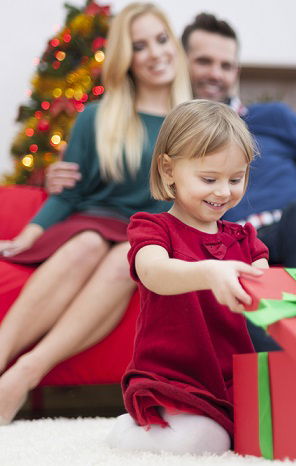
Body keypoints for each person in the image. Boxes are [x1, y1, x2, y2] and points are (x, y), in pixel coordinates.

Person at [106, 99, 296, 454]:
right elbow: (154, 273)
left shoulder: (244, 239)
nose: (224, 191)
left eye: (236, 179)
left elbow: (272, 291)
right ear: (168, 171)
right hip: (175, 378)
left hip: (233, 381)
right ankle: (128, 430)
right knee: (208, 441)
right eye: (209, 179)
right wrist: (209, 271)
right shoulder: (154, 228)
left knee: (289, 427)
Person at [49, 12, 296, 268]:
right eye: (204, 62)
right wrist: (61, 179)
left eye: (226, 66)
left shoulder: (270, 117)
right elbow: (125, 183)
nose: (216, 74)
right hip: (234, 245)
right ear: (179, 60)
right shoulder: (168, 134)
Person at [0, 2, 191, 424]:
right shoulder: (95, 118)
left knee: (129, 256)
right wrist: (30, 235)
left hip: (150, 236)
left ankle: (21, 377)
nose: (156, 53)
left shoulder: (193, 123)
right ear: (126, 58)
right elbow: (69, 194)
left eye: (161, 40)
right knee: (86, 243)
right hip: (90, 224)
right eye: (140, 46)